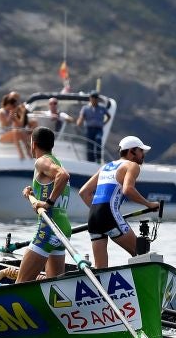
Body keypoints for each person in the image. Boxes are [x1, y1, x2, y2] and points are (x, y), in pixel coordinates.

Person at [79, 136, 161, 268]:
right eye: (141, 151)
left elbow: (83, 192)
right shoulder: (132, 165)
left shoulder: (105, 167)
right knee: (142, 256)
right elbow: (128, 190)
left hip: (93, 218)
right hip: (109, 215)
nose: (143, 155)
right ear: (132, 151)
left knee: (100, 269)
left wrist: (99, 212)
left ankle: (100, 288)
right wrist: (149, 204)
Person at [17, 127, 72, 282]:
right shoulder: (57, 162)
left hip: (48, 229)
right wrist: (34, 195)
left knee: (20, 285)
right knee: (54, 289)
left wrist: (47, 203)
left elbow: (63, 176)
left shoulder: (41, 161)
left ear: (33, 144)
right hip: (63, 230)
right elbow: (57, 180)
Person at [76, 91, 111, 163]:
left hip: (98, 129)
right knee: (90, 144)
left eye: (95, 98)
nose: (94, 99)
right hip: (89, 129)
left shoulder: (102, 108)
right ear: (90, 98)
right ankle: (90, 160)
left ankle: (98, 158)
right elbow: (81, 117)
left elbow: (108, 116)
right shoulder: (85, 108)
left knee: (98, 140)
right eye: (93, 98)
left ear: (97, 99)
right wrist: (79, 122)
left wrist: (104, 123)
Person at [0, 94, 29, 159]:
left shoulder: (12, 113)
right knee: (16, 132)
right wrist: (10, 116)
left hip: (13, 134)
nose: (15, 107)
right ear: (8, 104)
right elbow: (5, 125)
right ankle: (21, 154)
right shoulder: (1, 112)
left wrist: (22, 113)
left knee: (22, 132)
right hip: (1, 136)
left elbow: (21, 125)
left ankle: (29, 152)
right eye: (13, 105)